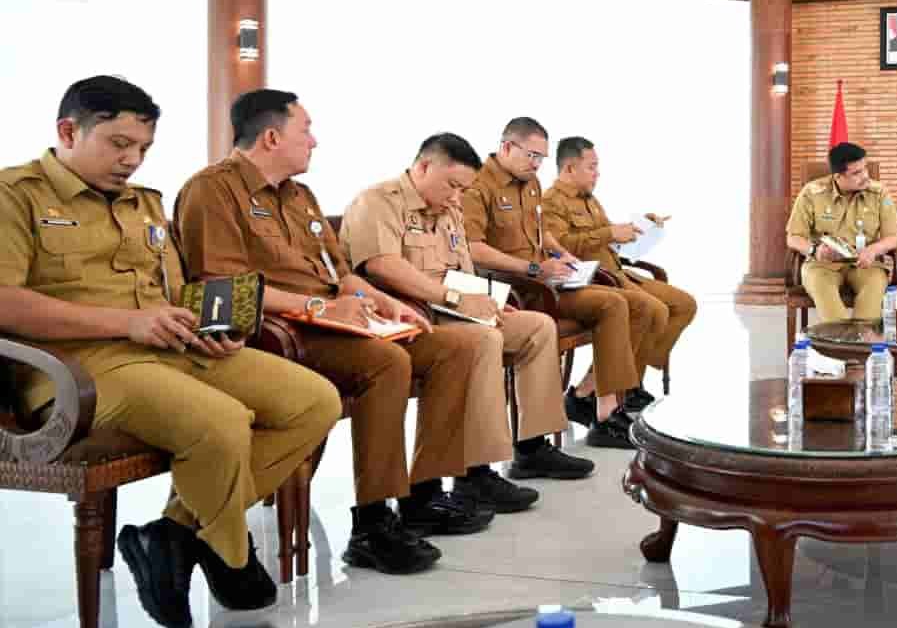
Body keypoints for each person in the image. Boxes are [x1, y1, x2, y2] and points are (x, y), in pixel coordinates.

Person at [0, 77, 339, 628]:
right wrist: (128, 323)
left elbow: (175, 291)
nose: (132, 160)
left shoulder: (145, 204)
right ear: (68, 131)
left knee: (314, 401)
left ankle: (173, 533)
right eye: (118, 144)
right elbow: (6, 302)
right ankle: (231, 555)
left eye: (143, 148)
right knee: (221, 421)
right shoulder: (15, 195)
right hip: (77, 366)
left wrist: (209, 326)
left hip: (168, 347)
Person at [174, 90, 503, 578]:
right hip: (283, 331)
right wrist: (321, 307)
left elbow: (340, 272)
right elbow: (222, 288)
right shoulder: (212, 191)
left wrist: (384, 301)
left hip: (337, 319)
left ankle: (423, 493)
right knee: (387, 363)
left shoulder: (300, 196)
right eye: (305, 130)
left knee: (461, 345)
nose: (314, 141)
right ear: (271, 137)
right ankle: (372, 523)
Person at [340, 132, 593, 490]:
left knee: (537, 327)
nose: (457, 198)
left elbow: (463, 269)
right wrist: (458, 300)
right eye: (453, 186)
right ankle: (475, 472)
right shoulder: (378, 201)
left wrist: (489, 300)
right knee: (484, 339)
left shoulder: (449, 208)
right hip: (411, 314)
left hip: (453, 307)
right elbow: (384, 267)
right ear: (424, 167)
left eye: (463, 189)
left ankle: (532, 448)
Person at [461, 117, 640, 452]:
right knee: (613, 303)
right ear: (507, 147)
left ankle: (603, 408)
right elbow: (474, 249)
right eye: (532, 155)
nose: (537, 164)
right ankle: (599, 414)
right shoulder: (476, 185)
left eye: (541, 158)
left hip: (547, 279)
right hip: (518, 288)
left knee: (622, 301)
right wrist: (532, 269)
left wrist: (563, 255)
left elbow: (542, 231)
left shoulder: (530, 182)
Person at [542, 136, 697, 441]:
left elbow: (606, 237)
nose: (597, 173)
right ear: (570, 168)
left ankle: (625, 381)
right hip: (598, 279)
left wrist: (639, 227)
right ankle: (613, 389)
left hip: (618, 270)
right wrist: (610, 233)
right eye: (591, 167)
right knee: (652, 310)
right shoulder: (551, 202)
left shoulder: (589, 199)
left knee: (684, 304)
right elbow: (563, 247)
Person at [784, 141, 897, 324]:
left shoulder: (879, 193)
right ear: (838, 176)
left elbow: (895, 238)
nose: (865, 176)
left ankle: (862, 336)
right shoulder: (811, 193)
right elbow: (793, 238)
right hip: (823, 263)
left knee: (875, 284)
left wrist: (873, 250)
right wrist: (815, 250)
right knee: (822, 286)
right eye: (856, 173)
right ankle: (841, 337)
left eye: (865, 169)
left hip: (865, 262)